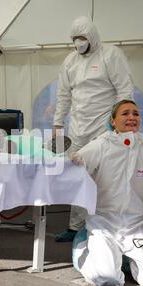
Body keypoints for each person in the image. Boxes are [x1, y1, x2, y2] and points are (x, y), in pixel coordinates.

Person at [71, 100, 143, 286]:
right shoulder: (101, 145)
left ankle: (127, 260)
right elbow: (78, 164)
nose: (131, 117)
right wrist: (76, 161)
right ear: (113, 121)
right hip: (104, 223)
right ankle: (82, 246)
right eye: (125, 113)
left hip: (136, 226)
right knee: (108, 279)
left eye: (136, 114)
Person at [54, 16, 134, 242]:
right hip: (77, 128)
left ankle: (104, 226)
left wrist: (122, 123)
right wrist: (58, 124)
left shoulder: (111, 55)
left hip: (104, 127)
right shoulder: (70, 61)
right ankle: (75, 226)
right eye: (75, 39)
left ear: (92, 37)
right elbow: (63, 95)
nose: (78, 43)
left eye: (82, 38)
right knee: (77, 175)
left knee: (106, 177)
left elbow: (124, 90)